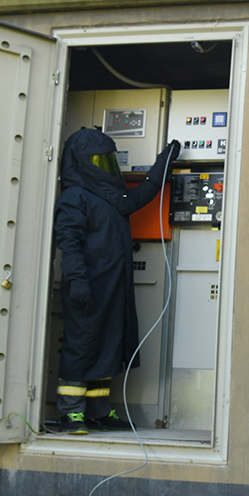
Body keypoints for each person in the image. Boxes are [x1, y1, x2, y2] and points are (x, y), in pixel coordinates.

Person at [54, 128, 180, 434]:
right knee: (82, 346)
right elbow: (68, 243)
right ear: (82, 162)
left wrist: (163, 163)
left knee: (107, 345)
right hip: (87, 286)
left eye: (107, 159)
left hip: (113, 287)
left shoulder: (110, 196)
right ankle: (71, 413)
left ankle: (97, 411)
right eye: (98, 160)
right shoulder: (75, 197)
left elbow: (137, 197)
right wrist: (77, 281)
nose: (105, 165)